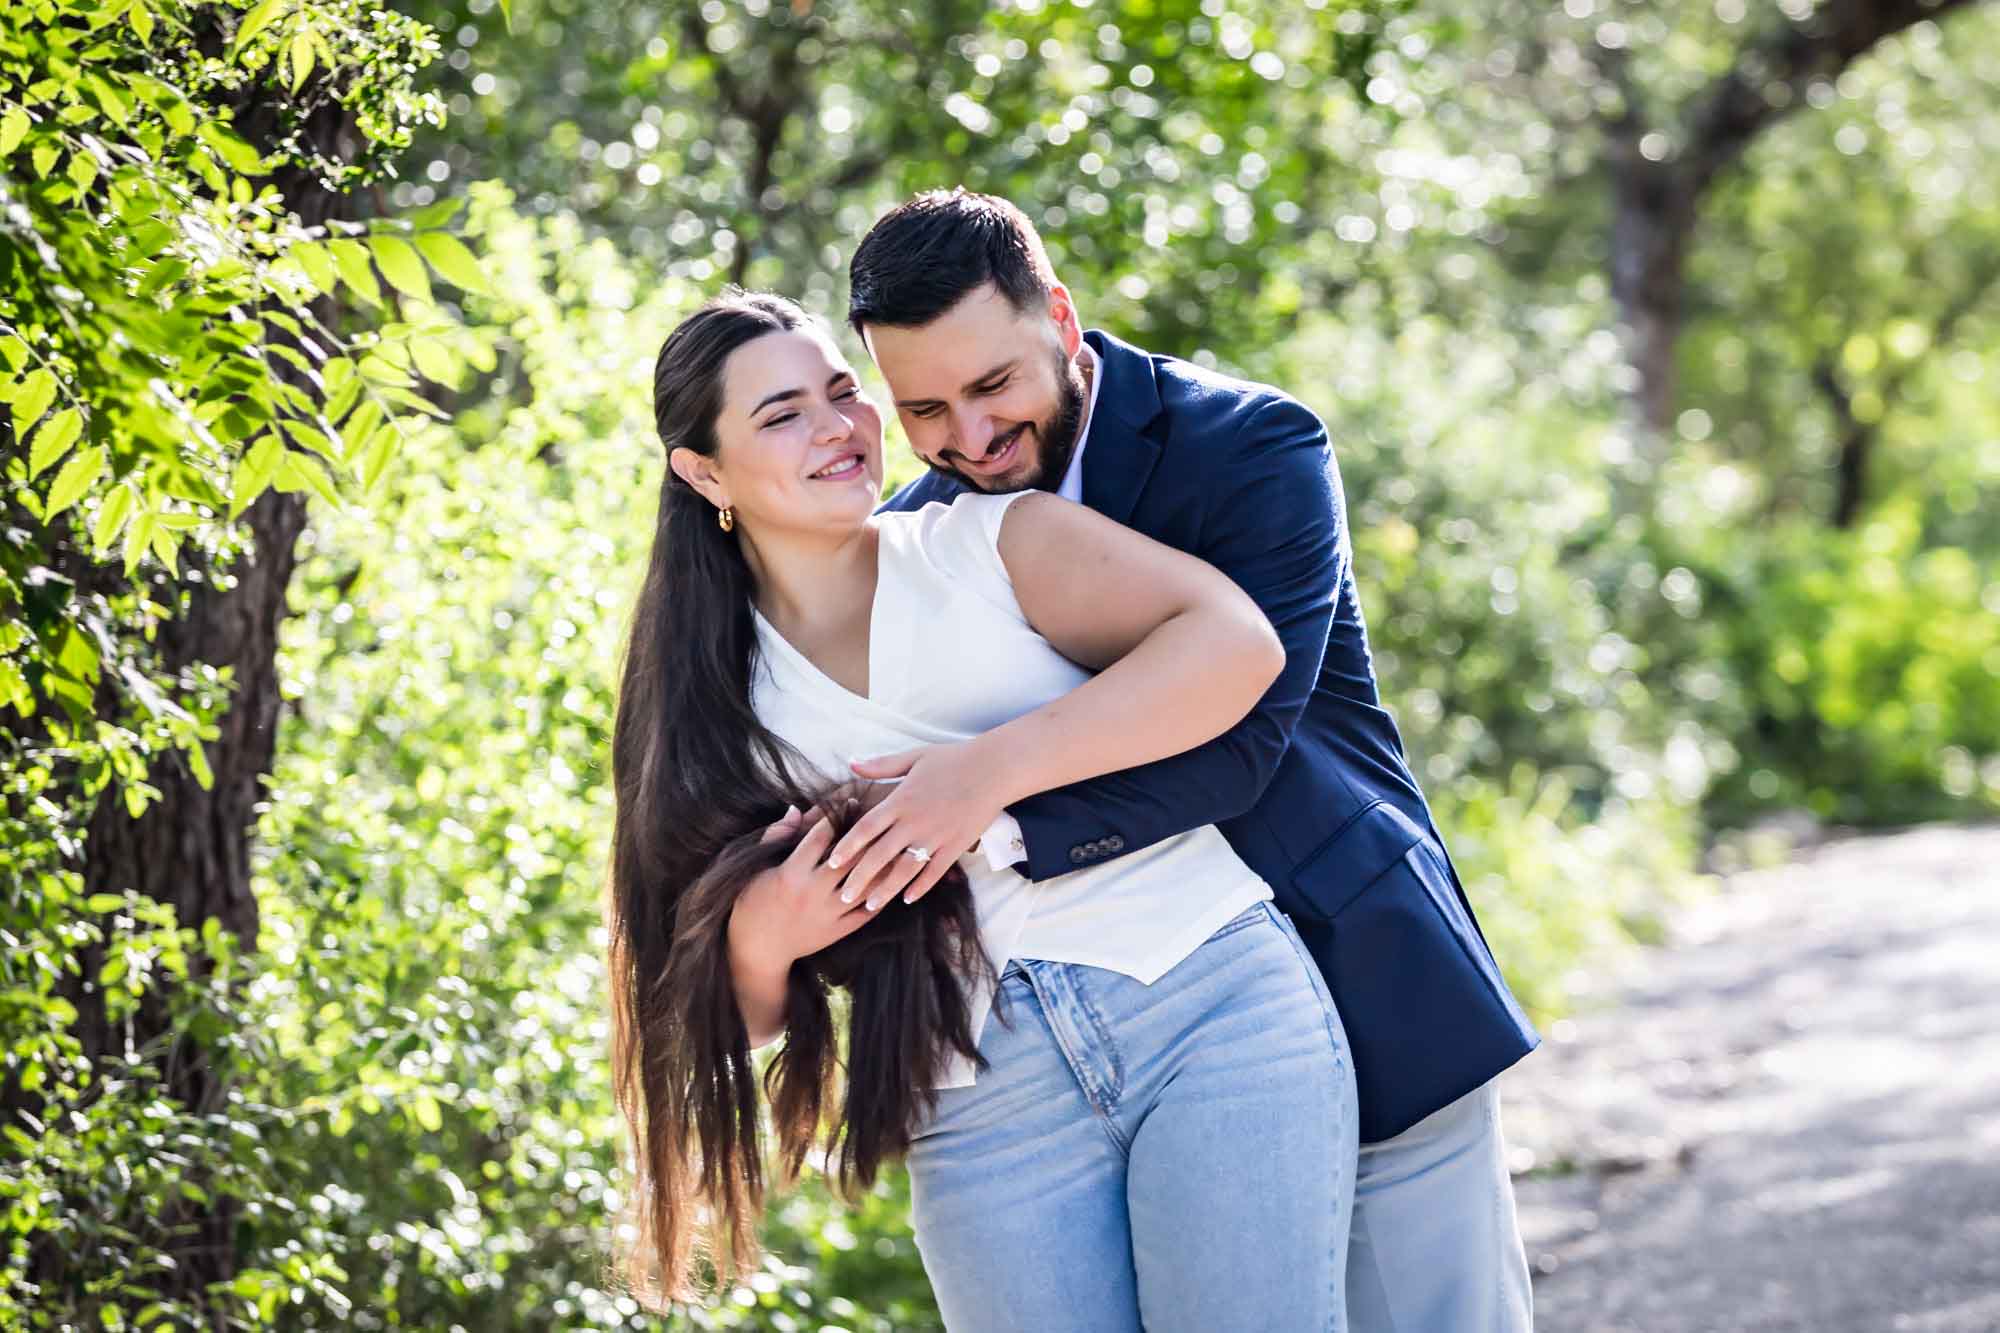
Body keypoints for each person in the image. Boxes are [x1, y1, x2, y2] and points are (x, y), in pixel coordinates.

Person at [830, 188, 1540, 1331]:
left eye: (991, 385)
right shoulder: (922, 533)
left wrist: (988, 808)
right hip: (1131, 1054)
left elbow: (1245, 741)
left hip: (1357, 975)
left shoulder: (1251, 445)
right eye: (922, 408)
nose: (965, 439)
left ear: (1059, 320)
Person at [603, 290, 1361, 1331]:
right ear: (703, 472)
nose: (836, 428)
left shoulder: (988, 541)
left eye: (841, 393)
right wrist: (767, 934)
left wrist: (982, 777)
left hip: (1208, 1008)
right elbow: (725, 1019)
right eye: (781, 415)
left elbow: (1234, 645)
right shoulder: (713, 703)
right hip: (976, 1099)